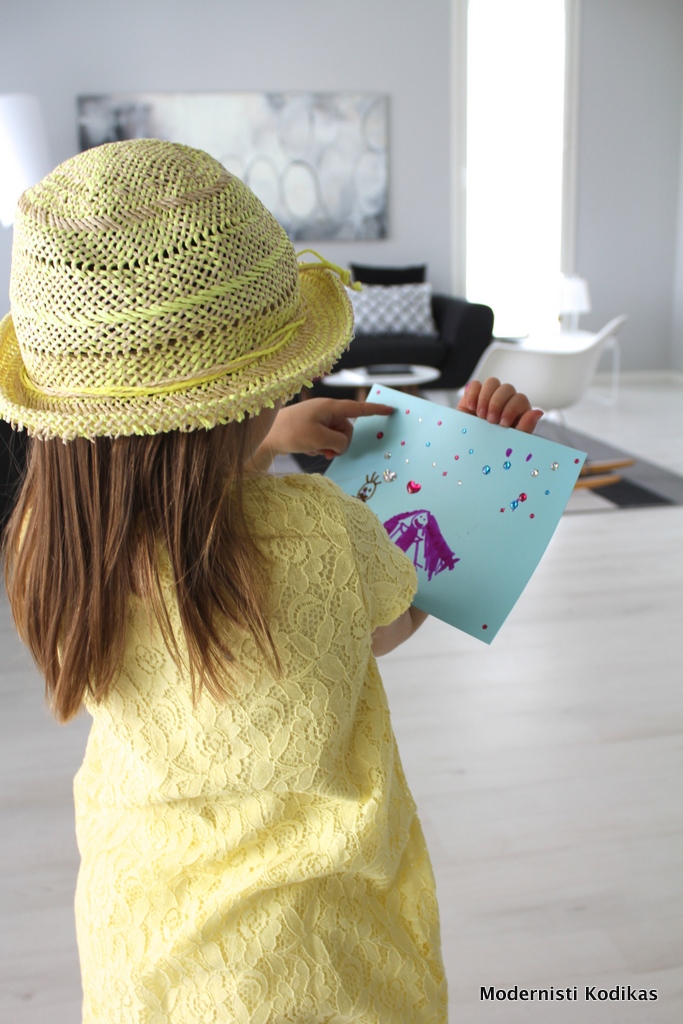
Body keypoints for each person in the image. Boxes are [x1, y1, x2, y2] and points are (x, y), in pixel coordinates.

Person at [0, 139, 542, 1024]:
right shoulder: (318, 530)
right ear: (256, 387)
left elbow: (168, 501)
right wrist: (482, 473)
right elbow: (393, 618)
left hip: (139, 933)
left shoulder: (48, 537)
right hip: (314, 955)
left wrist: (260, 441)